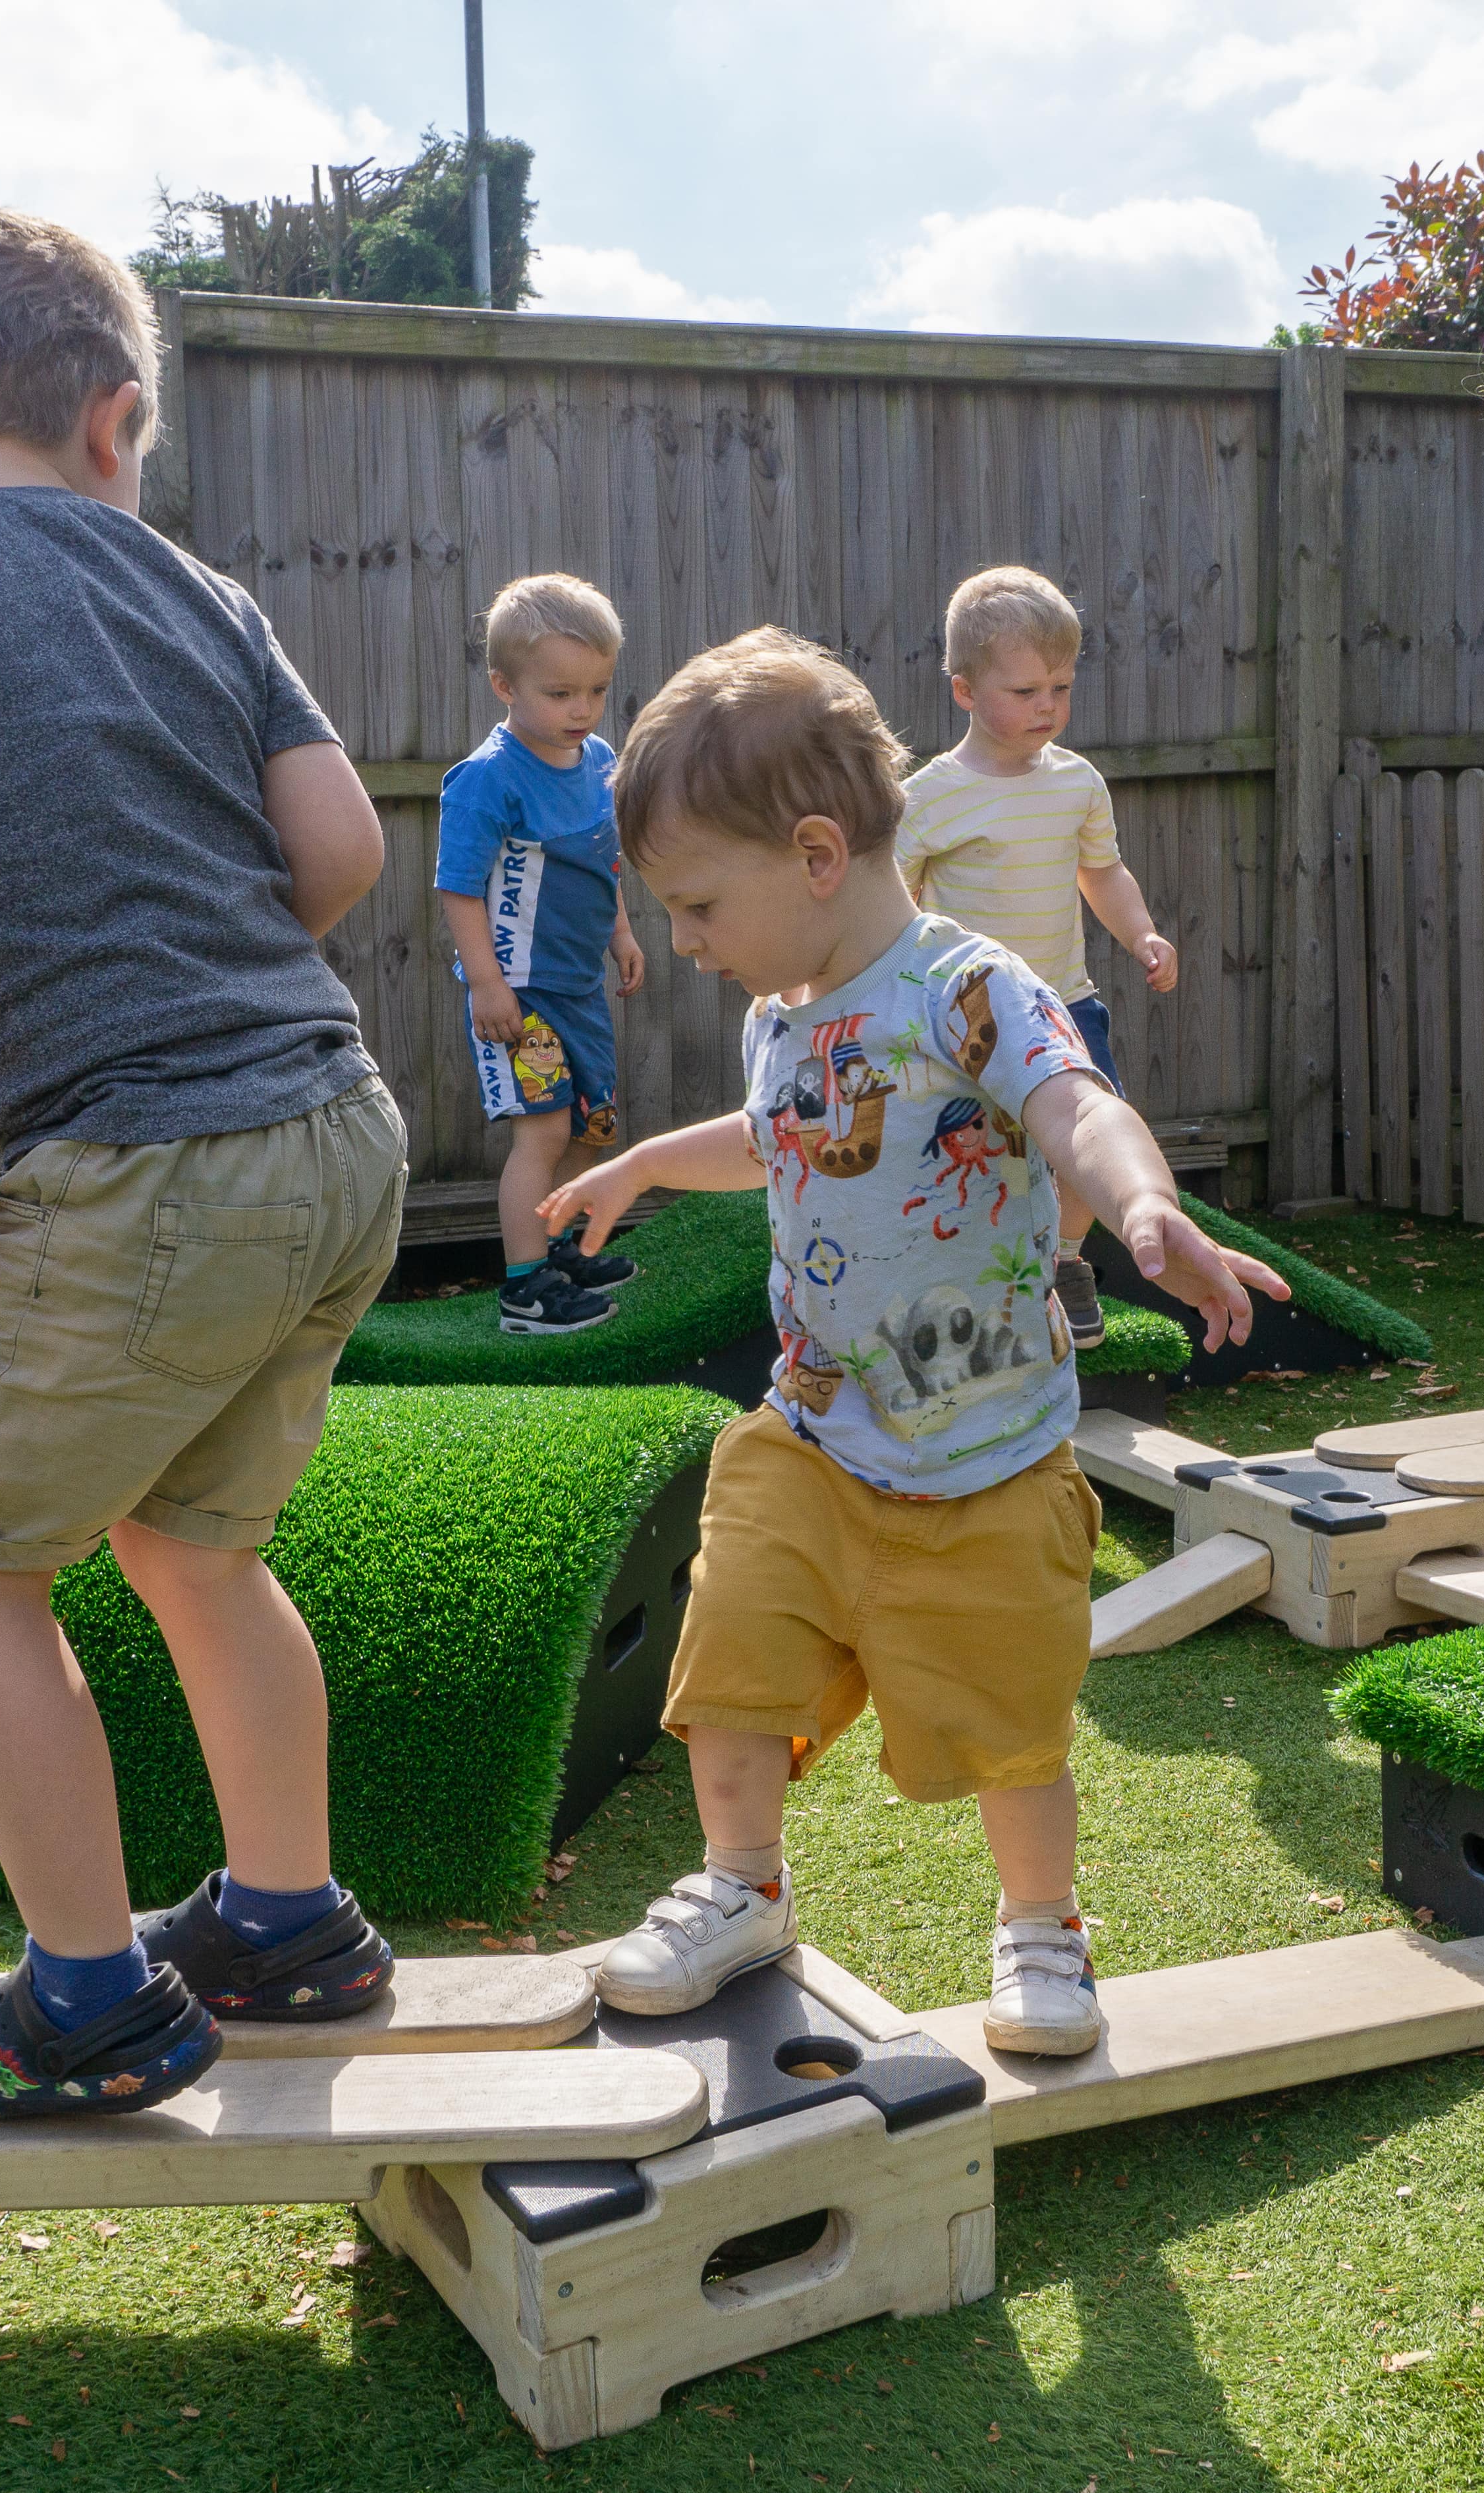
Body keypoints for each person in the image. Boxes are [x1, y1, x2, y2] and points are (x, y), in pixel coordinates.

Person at [0, 207, 408, 2119]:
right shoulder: (199, 592)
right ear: (117, 422)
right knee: (196, 1545)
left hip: (136, 1165)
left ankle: (87, 1999)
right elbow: (341, 852)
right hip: (334, 1137)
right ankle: (285, 1924)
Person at [540, 630, 1282, 2056]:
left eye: (698, 904)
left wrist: (1139, 1205)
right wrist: (643, 1164)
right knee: (733, 1655)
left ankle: (1038, 1926)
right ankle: (741, 1887)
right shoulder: (786, 1011)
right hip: (810, 1431)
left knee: (1013, 1719)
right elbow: (778, 1135)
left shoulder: (966, 988)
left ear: (815, 855)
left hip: (988, 1449)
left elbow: (1076, 1105)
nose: (684, 940)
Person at [893, 565, 1176, 1348]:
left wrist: (1141, 933)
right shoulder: (930, 796)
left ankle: (1063, 1258)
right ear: (964, 692)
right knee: (976, 1151)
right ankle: (970, 1267)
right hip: (970, 1012)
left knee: (1089, 1136)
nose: (1046, 705)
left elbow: (1101, 871)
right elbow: (895, 904)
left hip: (1064, 999)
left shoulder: (1076, 783)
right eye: (1024, 691)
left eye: (1059, 686)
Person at [437, 571, 649, 1336]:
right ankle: (524, 1289)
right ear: (504, 684)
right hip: (517, 993)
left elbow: (603, 860)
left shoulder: (597, 760)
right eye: (560, 693)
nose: (582, 710)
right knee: (544, 1130)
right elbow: (458, 889)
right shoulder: (486, 781)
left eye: (596, 690)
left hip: (577, 984)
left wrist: (621, 932)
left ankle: (559, 1250)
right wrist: (486, 985)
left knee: (590, 1125)